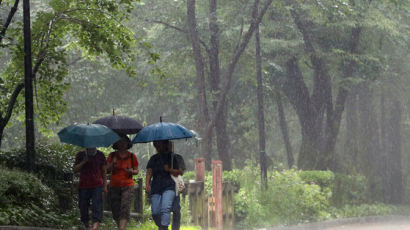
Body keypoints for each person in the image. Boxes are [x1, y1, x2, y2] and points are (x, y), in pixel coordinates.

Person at [146, 140, 180, 230]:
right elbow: (149, 172)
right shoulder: (153, 158)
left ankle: (164, 227)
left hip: (169, 186)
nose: (158, 146)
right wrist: (147, 184)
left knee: (165, 208)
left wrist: (169, 169)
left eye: (160, 144)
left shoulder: (172, 158)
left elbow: (179, 172)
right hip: (156, 187)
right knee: (155, 212)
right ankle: (161, 226)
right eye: (157, 144)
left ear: (165, 144)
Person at [106, 135, 139, 230]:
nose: (122, 144)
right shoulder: (112, 155)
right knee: (115, 210)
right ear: (116, 144)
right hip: (114, 185)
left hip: (128, 185)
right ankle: (120, 226)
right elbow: (106, 170)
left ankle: (122, 228)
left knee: (125, 207)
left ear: (128, 143)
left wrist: (131, 171)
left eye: (124, 142)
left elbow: (136, 171)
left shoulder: (132, 156)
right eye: (120, 142)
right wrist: (112, 163)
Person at [73, 147, 107, 230]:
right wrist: (83, 162)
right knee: (83, 206)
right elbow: (75, 170)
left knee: (97, 205)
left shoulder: (100, 155)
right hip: (84, 185)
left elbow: (104, 171)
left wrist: (105, 186)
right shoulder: (80, 155)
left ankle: (95, 226)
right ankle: (87, 225)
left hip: (97, 185)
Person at [168, 141, 186, 230]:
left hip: (175, 187)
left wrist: (171, 170)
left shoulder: (178, 157)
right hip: (162, 187)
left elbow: (181, 171)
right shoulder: (158, 158)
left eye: (169, 145)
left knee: (176, 209)